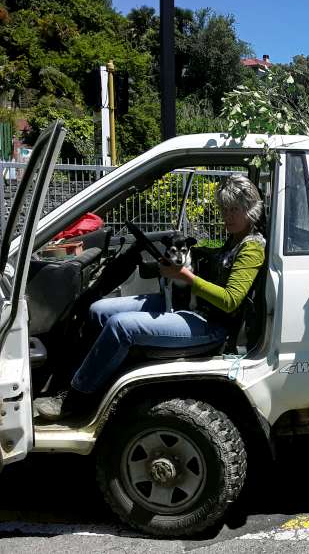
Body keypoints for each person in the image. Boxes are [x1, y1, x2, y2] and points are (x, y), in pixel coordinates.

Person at [34, 173, 266, 421]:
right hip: (191, 307)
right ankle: (88, 377)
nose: (227, 216)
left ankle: (75, 397)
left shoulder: (251, 247)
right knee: (98, 310)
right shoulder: (234, 240)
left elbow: (230, 300)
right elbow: (210, 259)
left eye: (234, 210)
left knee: (120, 326)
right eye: (224, 209)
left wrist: (184, 275)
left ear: (249, 210)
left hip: (214, 325)